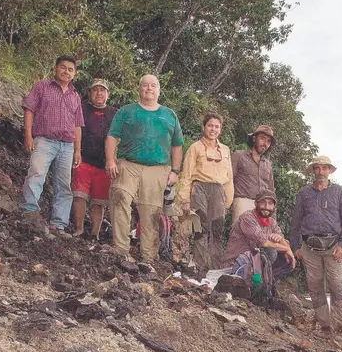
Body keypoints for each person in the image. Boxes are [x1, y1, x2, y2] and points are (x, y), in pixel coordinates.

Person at [105, 75, 183, 263]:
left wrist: (175, 171)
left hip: (158, 169)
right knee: (120, 196)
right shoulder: (127, 111)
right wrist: (110, 160)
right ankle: (121, 249)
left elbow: (177, 145)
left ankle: (148, 258)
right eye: (145, 85)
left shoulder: (169, 115)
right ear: (139, 89)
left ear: (159, 90)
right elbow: (112, 136)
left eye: (153, 85)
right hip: (128, 164)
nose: (149, 88)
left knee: (151, 212)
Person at [20, 55, 84, 236]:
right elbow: (29, 109)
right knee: (36, 174)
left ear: (75, 74)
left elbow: (77, 124)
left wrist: (78, 150)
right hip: (44, 140)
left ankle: (59, 224)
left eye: (70, 69)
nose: (66, 71)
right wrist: (28, 136)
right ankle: (29, 211)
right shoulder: (42, 87)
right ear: (55, 69)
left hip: (67, 146)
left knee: (63, 185)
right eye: (63, 67)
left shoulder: (75, 96)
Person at [289, 156, 342, 336]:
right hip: (310, 247)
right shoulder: (304, 193)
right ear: (313, 170)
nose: (321, 172)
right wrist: (296, 246)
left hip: (334, 246)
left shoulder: (340, 192)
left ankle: (341, 326)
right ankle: (325, 325)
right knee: (314, 286)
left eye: (325, 168)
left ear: (330, 170)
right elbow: (296, 222)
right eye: (317, 168)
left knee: (336, 285)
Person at [174, 112, 234, 269]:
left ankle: (215, 270)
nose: (213, 129)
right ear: (203, 127)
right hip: (199, 188)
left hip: (218, 191)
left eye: (216, 126)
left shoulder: (226, 150)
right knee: (201, 230)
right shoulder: (195, 148)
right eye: (210, 126)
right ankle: (200, 268)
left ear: (220, 129)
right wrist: (185, 200)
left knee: (217, 231)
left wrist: (228, 200)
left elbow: (229, 178)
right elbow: (186, 175)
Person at [223, 189, 296, 294]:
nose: (266, 206)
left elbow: (282, 239)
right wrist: (288, 249)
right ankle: (255, 287)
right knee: (271, 251)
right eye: (263, 202)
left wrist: (283, 244)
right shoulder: (247, 217)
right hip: (236, 264)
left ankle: (266, 284)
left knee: (286, 260)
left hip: (254, 263)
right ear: (255, 203)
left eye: (270, 203)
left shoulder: (272, 222)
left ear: (274, 207)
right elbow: (264, 243)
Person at [70, 78, 117, 238]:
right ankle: (79, 229)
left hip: (104, 164)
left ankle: (95, 234)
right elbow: (77, 129)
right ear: (90, 93)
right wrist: (77, 151)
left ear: (108, 94)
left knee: (99, 200)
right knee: (79, 194)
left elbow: (118, 138)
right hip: (83, 158)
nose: (99, 93)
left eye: (102, 90)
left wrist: (113, 160)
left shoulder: (114, 114)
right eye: (95, 90)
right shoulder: (82, 109)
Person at [231, 125, 276, 219]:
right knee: (241, 232)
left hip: (263, 206)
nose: (265, 144)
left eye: (268, 141)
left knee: (262, 234)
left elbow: (271, 191)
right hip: (243, 202)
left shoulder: (268, 164)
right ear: (255, 138)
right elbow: (229, 180)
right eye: (262, 138)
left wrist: (272, 215)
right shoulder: (239, 155)